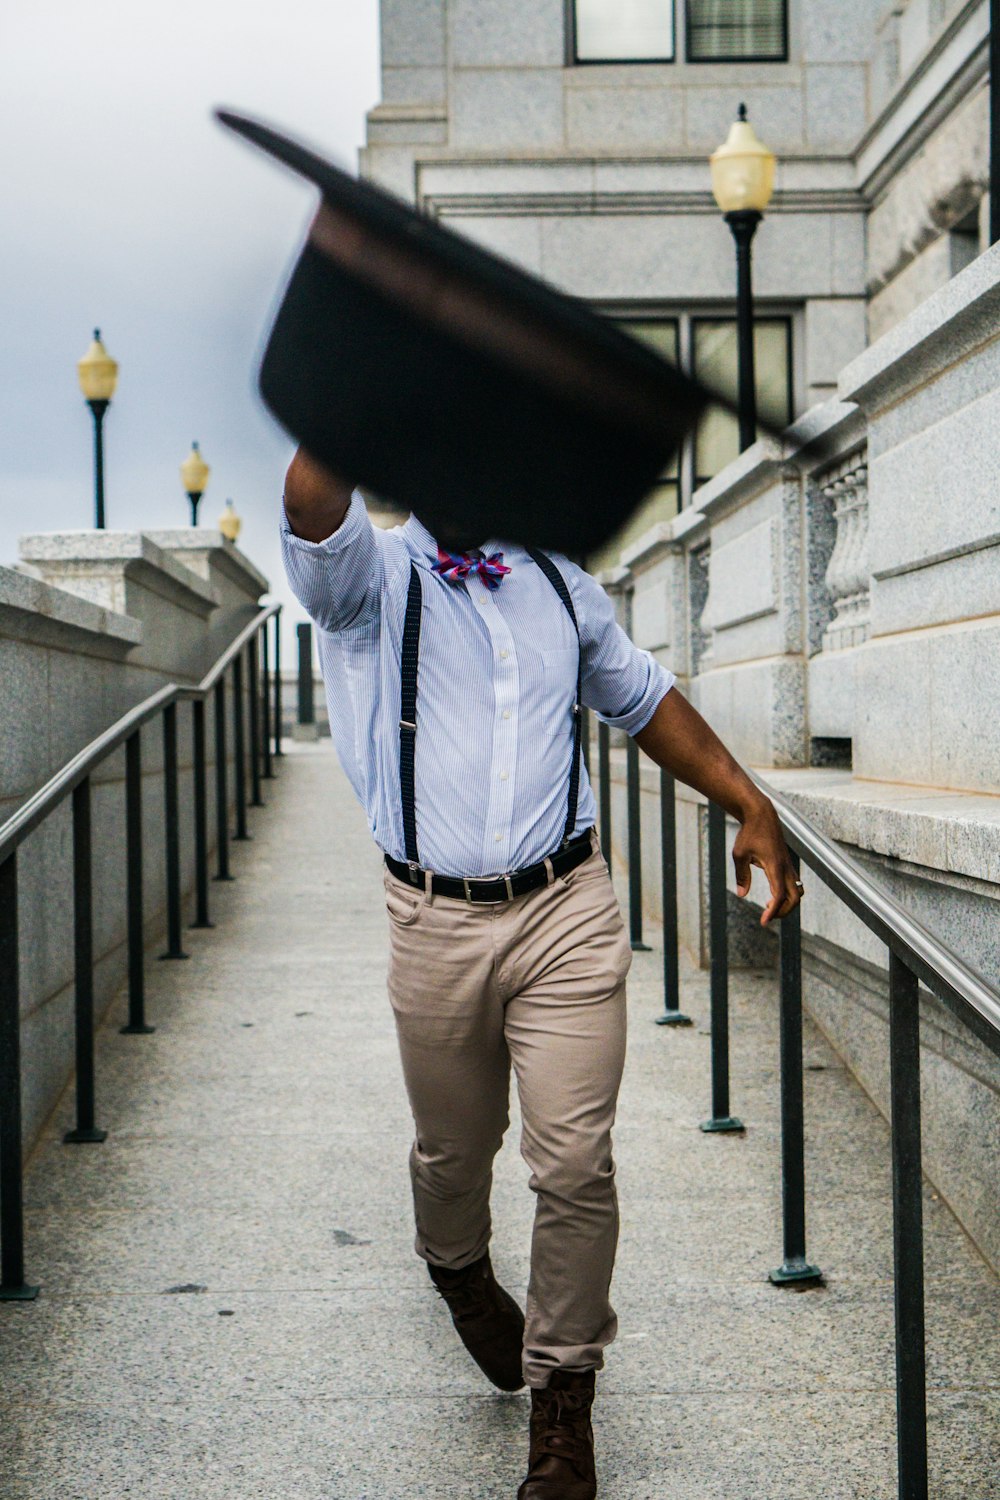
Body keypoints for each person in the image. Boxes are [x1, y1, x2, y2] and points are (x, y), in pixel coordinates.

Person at [281, 447, 803, 1500]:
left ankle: (564, 1403)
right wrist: (345, 392)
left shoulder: (561, 582)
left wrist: (746, 802)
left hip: (566, 903)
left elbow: (645, 698)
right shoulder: (373, 584)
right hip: (433, 916)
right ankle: (458, 1268)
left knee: (573, 1163)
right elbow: (311, 506)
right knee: (452, 1148)